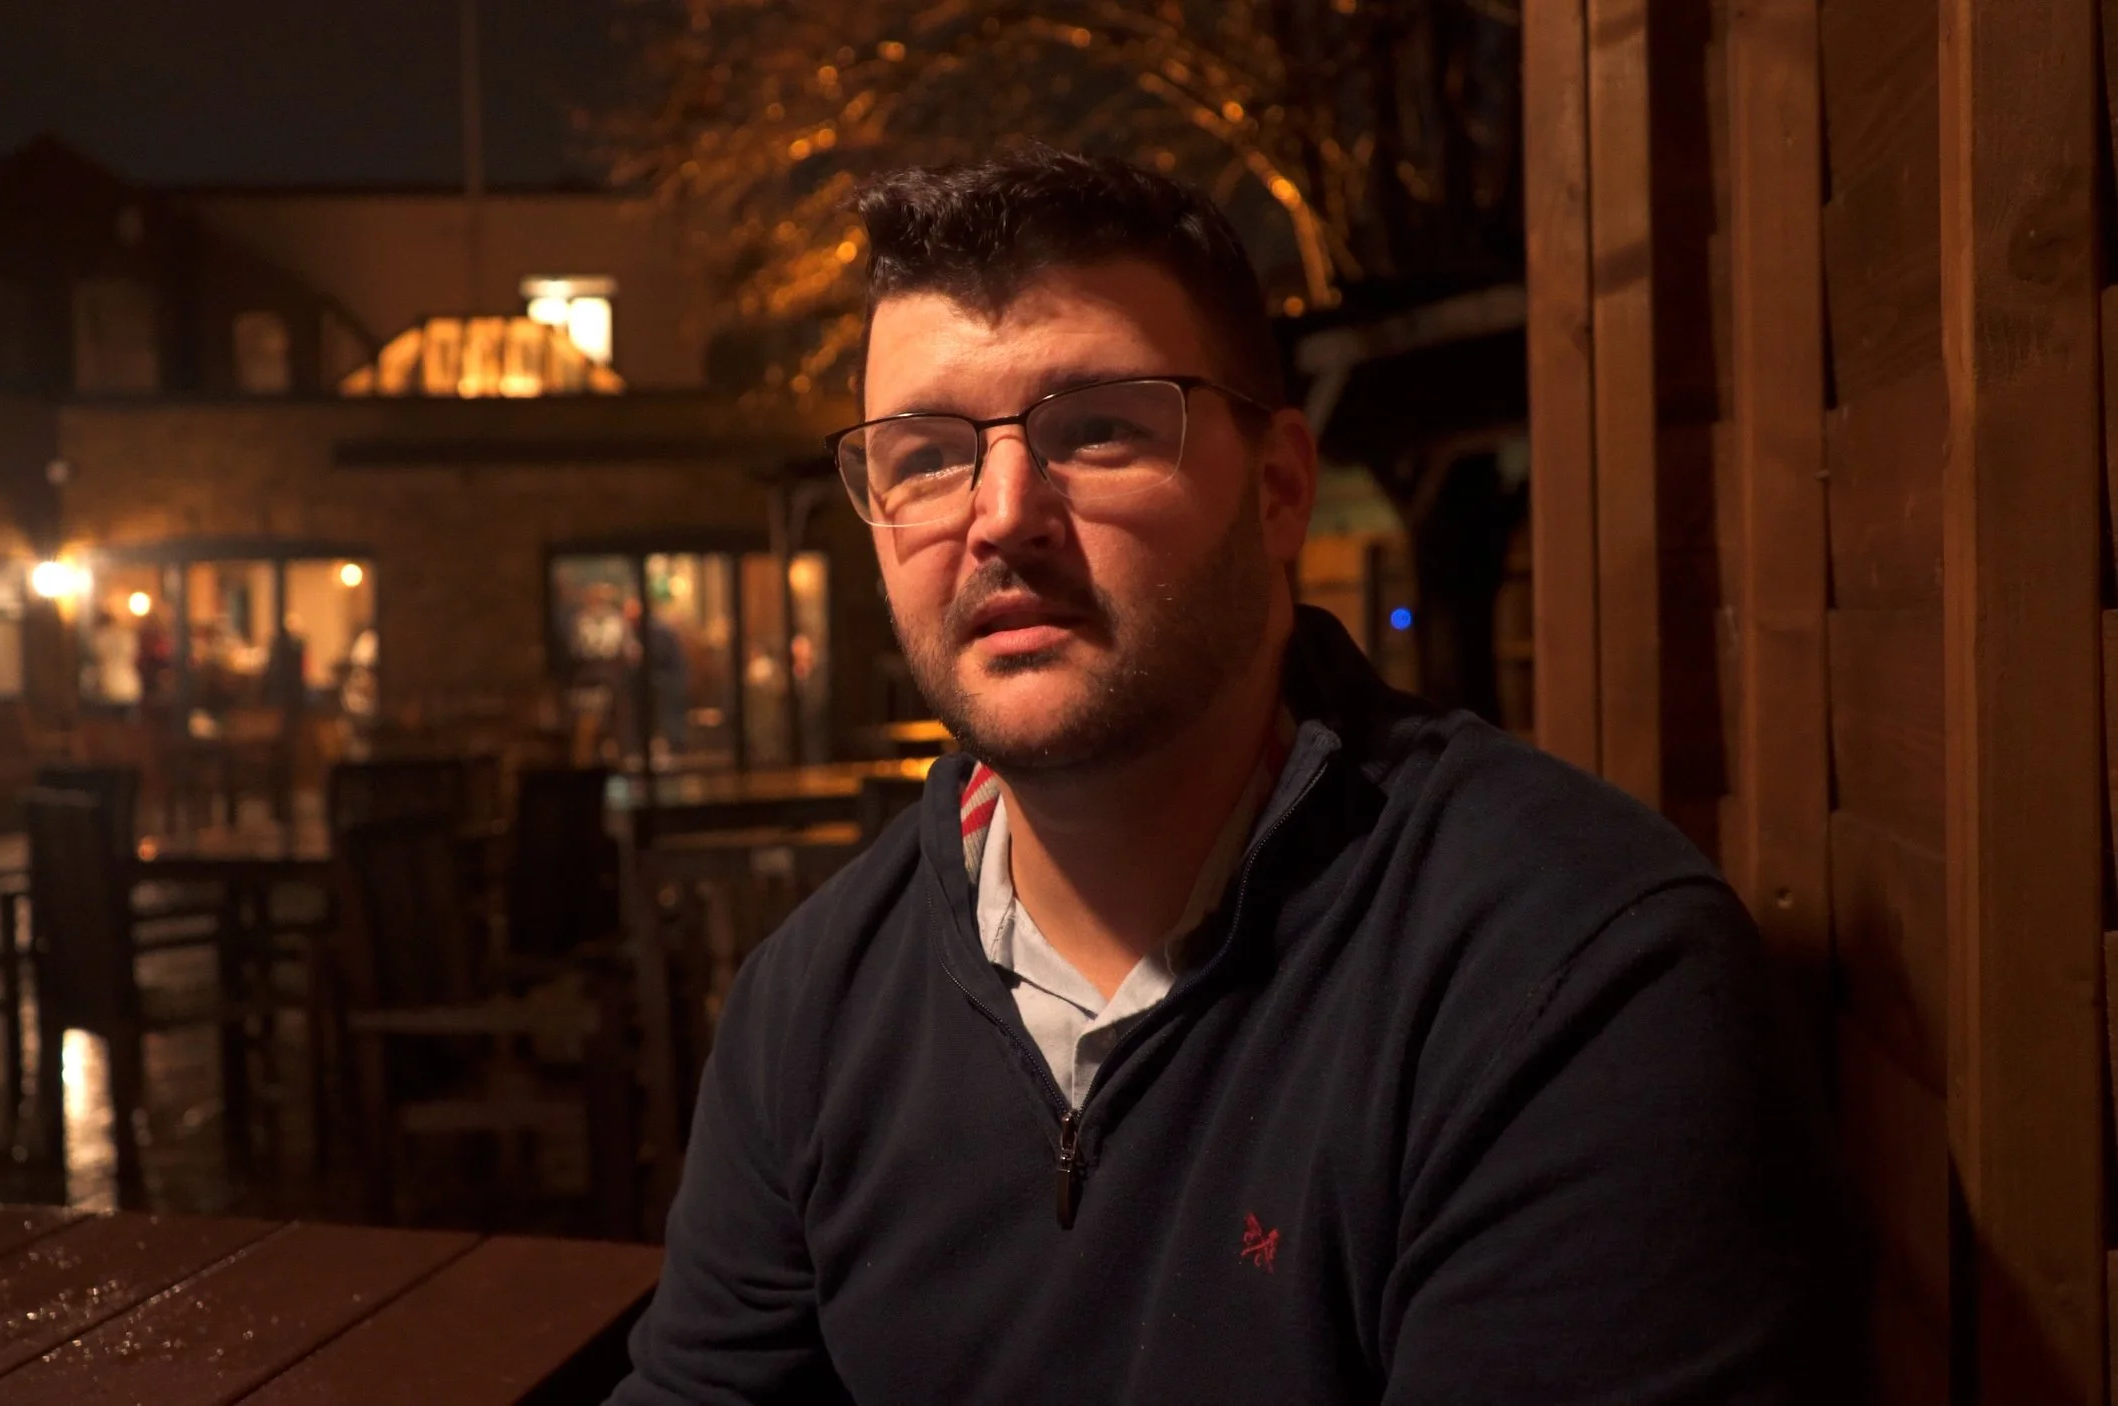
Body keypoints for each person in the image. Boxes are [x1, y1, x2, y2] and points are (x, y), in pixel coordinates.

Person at [609, 146, 1846, 1404]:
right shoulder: (811, 1004)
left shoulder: (1563, 972)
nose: (1001, 511)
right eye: (925, 454)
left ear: (1276, 491)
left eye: (1097, 427)